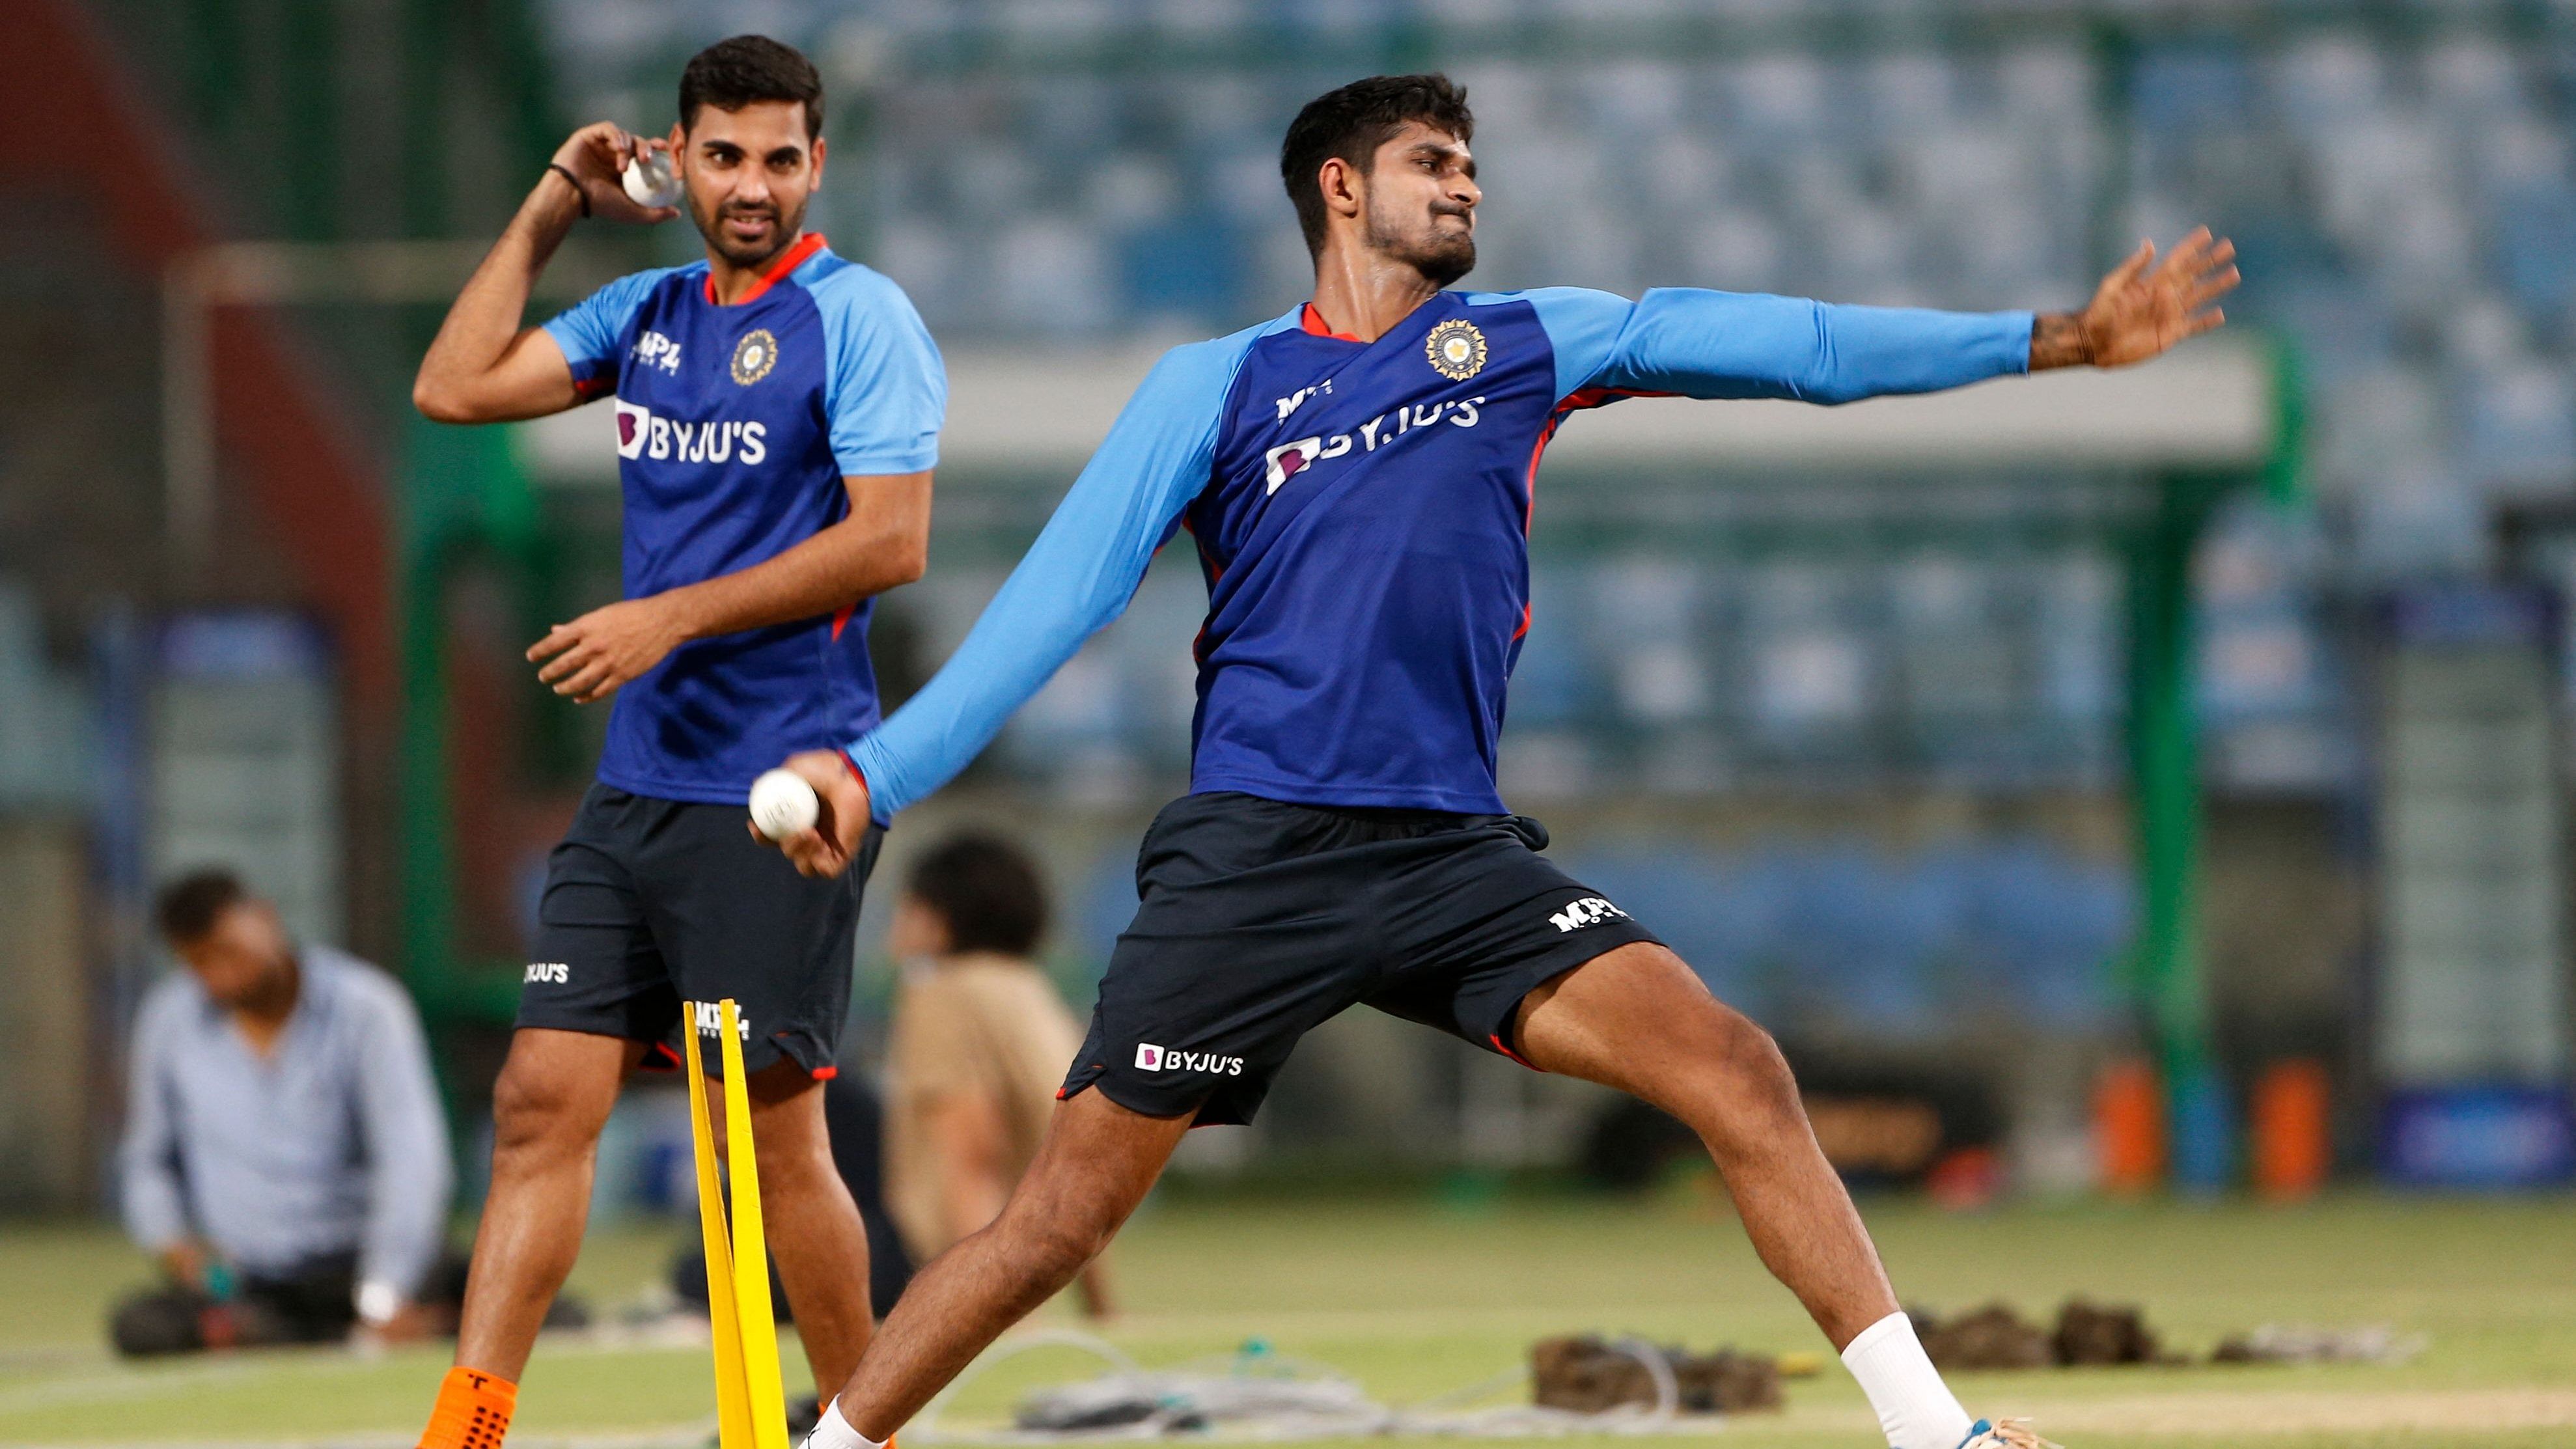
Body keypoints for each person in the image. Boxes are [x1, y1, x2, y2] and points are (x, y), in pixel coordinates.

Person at [769, 74, 2234, 1449]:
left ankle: (1935, 1431)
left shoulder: (1533, 340)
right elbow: (1055, 605)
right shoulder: (1217, 384)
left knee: (1735, 1067)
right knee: (1057, 1226)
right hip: (1255, 859)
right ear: (1339, 190)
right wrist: (877, 777)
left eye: (1470, 165)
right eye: (1430, 164)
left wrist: (2050, 339)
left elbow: (1798, 348)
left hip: (1449, 857)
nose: (1463, 185)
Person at [407, 33, 945, 1449]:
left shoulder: (861, 317)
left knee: (770, 1149)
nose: (753, 184)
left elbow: (892, 542)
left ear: (815, 164)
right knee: (536, 1104)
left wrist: (669, 620)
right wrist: (550, 203)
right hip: (635, 791)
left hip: (781, 793)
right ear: (678, 156)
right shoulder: (643, 313)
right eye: (725, 155)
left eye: (780, 157)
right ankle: (467, 1426)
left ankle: (864, 1428)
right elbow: (452, 388)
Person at [115, 869, 456, 1356]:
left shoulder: (367, 1007)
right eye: (200, 964)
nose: (221, 976)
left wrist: (386, 1292)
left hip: (359, 1264)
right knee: (142, 1327)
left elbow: (411, 1160)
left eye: (230, 951)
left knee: (514, 1304)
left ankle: (382, 1322)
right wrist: (176, 1245)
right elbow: (147, 1159)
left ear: (266, 918)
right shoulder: (168, 1021)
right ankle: (277, 1332)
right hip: (248, 1279)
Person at [880, 835, 1113, 1319]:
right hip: (1039, 1250)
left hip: (924, 1267)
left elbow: (970, 1160)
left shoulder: (941, 995)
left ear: (938, 920)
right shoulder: (1031, 992)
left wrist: (985, 1314)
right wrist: (1103, 1312)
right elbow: (1079, 1169)